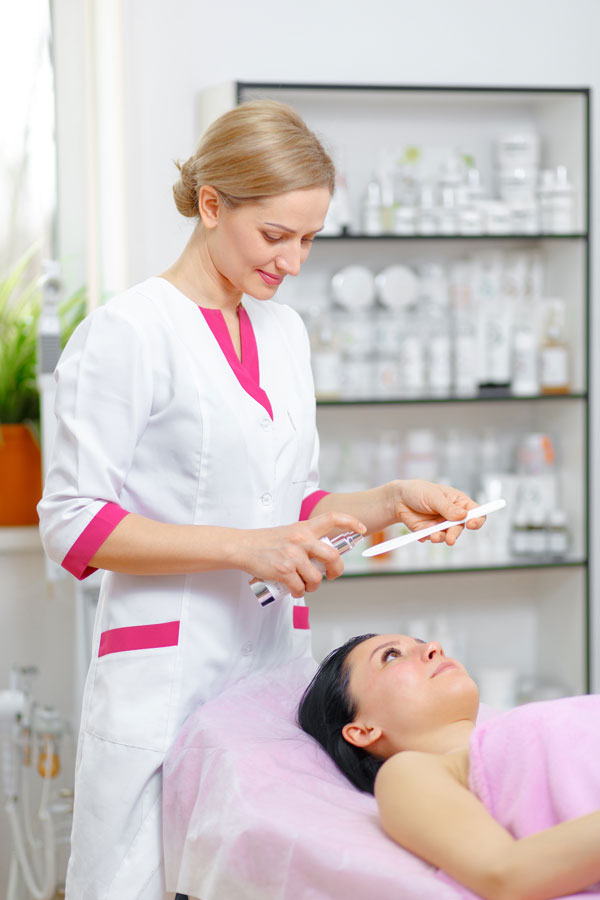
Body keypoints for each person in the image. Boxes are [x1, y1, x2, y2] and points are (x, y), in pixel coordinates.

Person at [38, 99, 485, 900]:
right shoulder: (130, 333)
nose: (294, 261)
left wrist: (389, 502)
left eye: (309, 238)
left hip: (268, 674)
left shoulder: (284, 335)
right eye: (276, 236)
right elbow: (75, 523)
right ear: (212, 204)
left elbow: (292, 500)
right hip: (166, 678)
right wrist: (251, 548)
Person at [298, 632, 600, 900]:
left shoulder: (507, 730)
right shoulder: (408, 774)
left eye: (421, 643)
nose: (434, 646)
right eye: (391, 656)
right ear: (363, 730)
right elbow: (505, 874)